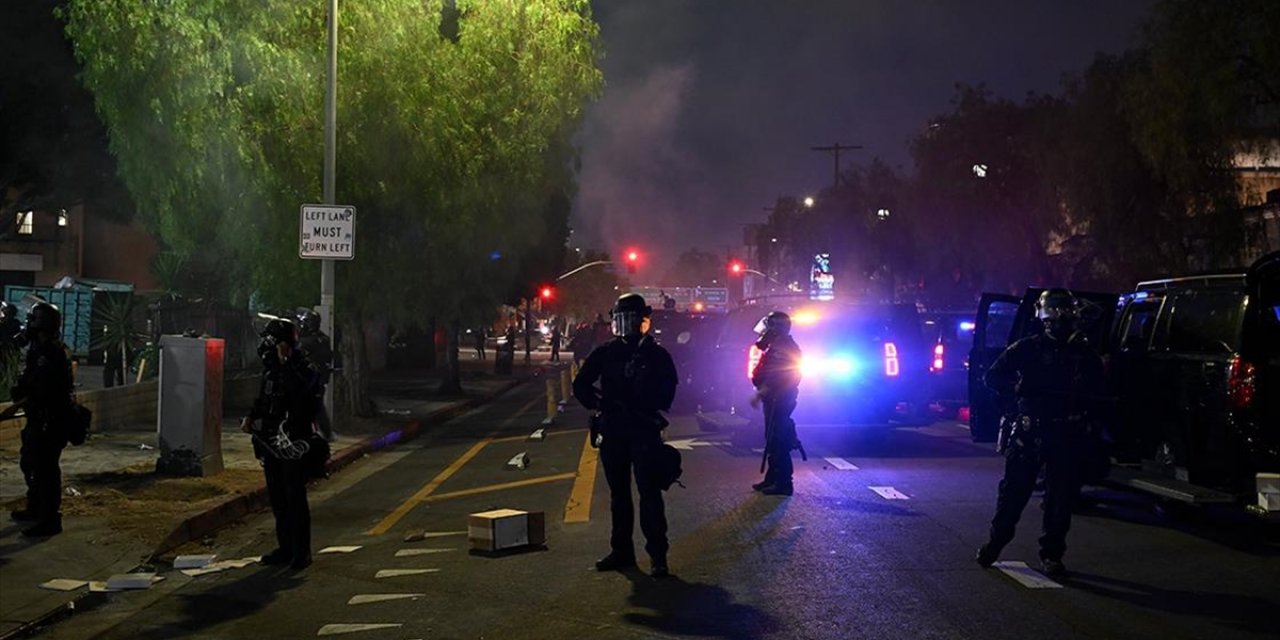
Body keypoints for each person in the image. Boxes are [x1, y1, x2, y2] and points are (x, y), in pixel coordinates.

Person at [975, 288, 1105, 578]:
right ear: (1046, 318)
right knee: (1013, 495)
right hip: (1030, 433)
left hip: (1067, 433)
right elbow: (992, 376)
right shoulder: (1028, 348)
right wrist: (1017, 392)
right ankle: (996, 544)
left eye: (1066, 316)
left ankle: (1052, 555)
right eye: (1056, 316)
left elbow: (1101, 389)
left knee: (1060, 499)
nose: (1061, 322)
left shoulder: (1082, 354)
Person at [573, 293, 679, 578]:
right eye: (624, 320)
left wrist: (643, 397)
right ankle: (622, 551)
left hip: (643, 430)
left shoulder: (656, 355)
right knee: (619, 496)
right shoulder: (606, 352)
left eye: (634, 320)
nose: (629, 326)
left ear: (644, 321)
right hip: (614, 429)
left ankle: (658, 555)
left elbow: (669, 393)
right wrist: (599, 404)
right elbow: (581, 385)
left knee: (649, 494)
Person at [241, 319, 321, 570]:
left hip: (294, 441)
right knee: (278, 498)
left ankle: (301, 552)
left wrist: (286, 363)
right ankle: (285, 548)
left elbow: (302, 392)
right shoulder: (270, 369)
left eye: (271, 341)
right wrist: (252, 416)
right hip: (271, 442)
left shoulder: (302, 366)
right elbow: (266, 398)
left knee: (294, 497)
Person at [5, 302, 74, 537]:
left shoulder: (52, 351)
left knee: (46, 470)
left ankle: (50, 520)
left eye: (35, 319)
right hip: (38, 418)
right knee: (30, 463)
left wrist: (14, 407)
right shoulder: (38, 347)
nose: (31, 323)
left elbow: (43, 390)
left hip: (51, 420)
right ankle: (35, 508)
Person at [749, 311, 803, 496]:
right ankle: (772, 478)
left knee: (778, 440)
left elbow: (778, 375)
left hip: (779, 398)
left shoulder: (784, 347)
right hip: (774, 398)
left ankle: (784, 483)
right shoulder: (778, 345)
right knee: (772, 439)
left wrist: (762, 392)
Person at [296, 310, 335, 442]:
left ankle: (307, 435)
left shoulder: (306, 342)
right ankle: (324, 433)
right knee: (317, 408)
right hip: (319, 381)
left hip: (307, 381)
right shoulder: (323, 339)